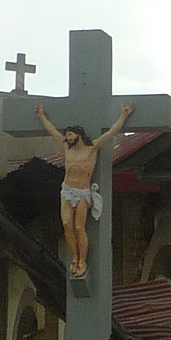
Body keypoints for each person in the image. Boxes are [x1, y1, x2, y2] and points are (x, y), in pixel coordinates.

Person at [36, 101, 132, 278]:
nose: (67, 138)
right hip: (66, 191)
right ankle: (74, 257)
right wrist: (42, 116)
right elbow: (52, 131)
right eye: (67, 135)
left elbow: (111, 132)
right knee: (66, 225)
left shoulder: (92, 148)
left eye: (70, 135)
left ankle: (82, 260)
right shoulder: (67, 148)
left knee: (79, 227)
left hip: (82, 193)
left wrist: (123, 115)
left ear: (78, 135)